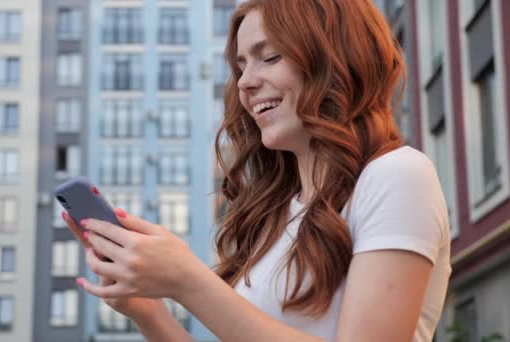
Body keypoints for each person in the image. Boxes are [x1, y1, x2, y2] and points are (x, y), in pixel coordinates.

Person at [63, 0, 452, 340]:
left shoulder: (398, 175)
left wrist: (186, 279)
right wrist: (147, 312)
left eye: (270, 57)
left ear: (335, 59)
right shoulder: (279, 214)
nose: (246, 83)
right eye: (240, 66)